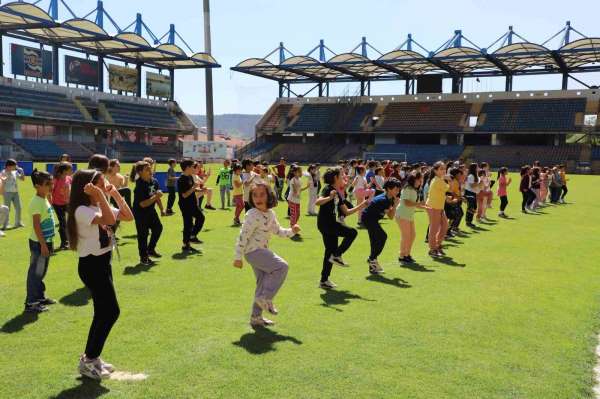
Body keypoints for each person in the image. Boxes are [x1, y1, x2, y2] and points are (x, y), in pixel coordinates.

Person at [67, 169, 133, 380]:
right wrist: (101, 196)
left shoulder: (96, 204)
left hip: (103, 263)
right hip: (92, 265)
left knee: (102, 312)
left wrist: (114, 194)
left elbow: (127, 216)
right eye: (99, 182)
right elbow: (108, 219)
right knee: (111, 311)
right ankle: (88, 360)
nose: (104, 183)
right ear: (87, 187)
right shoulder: (81, 210)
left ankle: (91, 358)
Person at [233, 183, 300, 328]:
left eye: (262, 194)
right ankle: (265, 298)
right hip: (253, 252)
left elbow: (279, 231)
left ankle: (256, 318)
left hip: (260, 252)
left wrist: (292, 231)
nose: (258, 198)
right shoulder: (251, 215)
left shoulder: (271, 214)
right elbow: (242, 236)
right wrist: (237, 257)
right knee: (282, 267)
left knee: (262, 283)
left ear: (269, 196)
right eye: (254, 195)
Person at [316, 167, 365, 289]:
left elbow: (346, 211)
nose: (344, 176)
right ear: (335, 178)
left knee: (329, 252)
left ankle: (324, 280)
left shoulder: (337, 192)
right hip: (327, 224)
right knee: (352, 233)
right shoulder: (328, 189)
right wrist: (329, 198)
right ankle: (337, 255)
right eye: (342, 175)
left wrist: (362, 205)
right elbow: (318, 201)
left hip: (329, 224)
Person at [25, 170, 56, 313]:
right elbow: (37, 226)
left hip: (46, 241)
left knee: (41, 271)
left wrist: (48, 243)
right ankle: (31, 303)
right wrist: (43, 245)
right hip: (39, 243)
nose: (51, 186)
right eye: (47, 184)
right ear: (37, 186)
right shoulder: (36, 202)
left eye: (51, 183)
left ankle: (40, 296)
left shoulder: (44, 199)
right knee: (35, 273)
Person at [361, 178, 402, 274]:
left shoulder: (390, 198)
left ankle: (373, 266)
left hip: (372, 219)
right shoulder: (384, 200)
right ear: (388, 189)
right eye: (396, 189)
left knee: (375, 240)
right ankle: (372, 258)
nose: (398, 191)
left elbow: (390, 215)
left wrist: (394, 205)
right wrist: (395, 205)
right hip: (368, 219)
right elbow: (391, 216)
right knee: (382, 236)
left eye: (398, 189)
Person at [132, 161, 164, 265]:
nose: (150, 170)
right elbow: (142, 204)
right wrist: (156, 197)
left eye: (150, 168)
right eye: (147, 169)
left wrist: (162, 209)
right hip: (140, 213)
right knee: (143, 235)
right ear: (140, 172)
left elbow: (156, 196)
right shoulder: (140, 185)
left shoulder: (154, 181)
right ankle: (144, 257)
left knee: (158, 228)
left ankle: (150, 250)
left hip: (151, 210)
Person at [396, 171, 427, 264]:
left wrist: (425, 207)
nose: (421, 182)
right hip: (402, 215)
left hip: (408, 215)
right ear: (414, 179)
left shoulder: (413, 189)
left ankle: (407, 254)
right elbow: (406, 202)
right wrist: (419, 204)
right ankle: (402, 256)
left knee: (412, 235)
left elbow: (413, 204)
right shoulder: (407, 189)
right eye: (419, 180)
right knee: (406, 236)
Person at [178, 159, 206, 252]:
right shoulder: (181, 179)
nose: (195, 168)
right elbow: (184, 195)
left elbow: (191, 190)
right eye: (192, 166)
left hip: (192, 203)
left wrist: (200, 190)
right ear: (187, 168)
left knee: (200, 218)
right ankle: (186, 244)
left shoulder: (190, 176)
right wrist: (194, 187)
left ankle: (192, 236)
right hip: (185, 205)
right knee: (188, 224)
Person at [426, 162, 450, 258]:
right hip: (433, 206)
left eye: (444, 169)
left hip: (439, 206)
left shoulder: (439, 179)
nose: (444, 171)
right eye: (441, 169)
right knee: (434, 228)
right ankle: (433, 249)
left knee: (445, 225)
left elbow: (442, 192)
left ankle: (437, 245)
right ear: (435, 170)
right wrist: (451, 180)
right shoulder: (438, 180)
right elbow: (449, 188)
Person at [51, 162, 72, 250]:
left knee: (73, 220)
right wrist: (49, 203)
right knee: (63, 223)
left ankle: (73, 239)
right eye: (70, 169)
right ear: (64, 171)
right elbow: (50, 191)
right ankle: (64, 243)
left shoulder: (69, 178)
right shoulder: (56, 180)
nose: (72, 170)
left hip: (67, 203)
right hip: (58, 204)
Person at [1, 159, 25, 229]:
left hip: (15, 193)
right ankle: (5, 225)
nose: (16, 167)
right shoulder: (3, 172)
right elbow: (2, 181)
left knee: (19, 208)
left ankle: (18, 223)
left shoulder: (15, 172)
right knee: (7, 209)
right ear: (9, 166)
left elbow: (22, 179)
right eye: (14, 165)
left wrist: (22, 171)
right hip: (7, 193)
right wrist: (4, 179)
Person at [286, 165, 308, 240]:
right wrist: (296, 192)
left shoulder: (299, 180)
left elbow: (299, 189)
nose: (300, 172)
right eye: (299, 171)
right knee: (294, 215)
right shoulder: (293, 180)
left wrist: (307, 187)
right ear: (295, 172)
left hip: (297, 200)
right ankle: (292, 231)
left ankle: (294, 229)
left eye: (300, 171)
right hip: (292, 199)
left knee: (297, 215)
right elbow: (295, 190)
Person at [464, 163, 481, 228]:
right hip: (469, 193)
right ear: (474, 168)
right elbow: (472, 185)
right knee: (471, 207)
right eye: (477, 167)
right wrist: (479, 182)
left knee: (474, 207)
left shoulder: (475, 175)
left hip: (473, 193)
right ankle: (468, 222)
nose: (478, 168)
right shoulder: (471, 176)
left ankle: (470, 221)